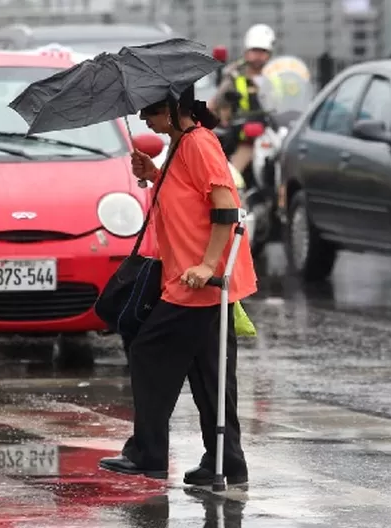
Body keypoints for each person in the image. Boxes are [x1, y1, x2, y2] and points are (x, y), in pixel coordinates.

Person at [98, 85, 257, 488]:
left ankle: (148, 454)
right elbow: (188, 199)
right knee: (211, 375)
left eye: (150, 110)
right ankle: (227, 461)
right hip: (192, 279)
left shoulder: (199, 144)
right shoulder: (183, 144)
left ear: (172, 109)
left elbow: (225, 208)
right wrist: (153, 174)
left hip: (198, 282)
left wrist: (207, 265)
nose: (143, 119)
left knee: (149, 353)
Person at [208, 23, 277, 180]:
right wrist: (225, 115)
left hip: (272, 132)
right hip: (244, 134)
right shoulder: (234, 74)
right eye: (255, 50)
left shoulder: (275, 74)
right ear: (246, 52)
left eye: (263, 51)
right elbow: (220, 100)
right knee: (233, 174)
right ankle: (235, 196)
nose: (258, 55)